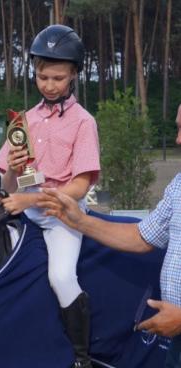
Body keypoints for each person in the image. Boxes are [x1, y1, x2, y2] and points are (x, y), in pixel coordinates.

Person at [36, 106, 181, 368]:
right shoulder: (179, 185)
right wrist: (80, 221)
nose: (178, 139)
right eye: (178, 127)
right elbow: (141, 237)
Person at [0, 24, 100, 368]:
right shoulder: (23, 122)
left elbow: (80, 187)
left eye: (57, 78)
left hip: (63, 216)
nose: (49, 85)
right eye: (42, 77)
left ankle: (81, 356)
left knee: (60, 276)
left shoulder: (84, 122)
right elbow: (10, 185)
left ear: (73, 77)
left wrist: (31, 200)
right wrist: (12, 166)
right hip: (23, 207)